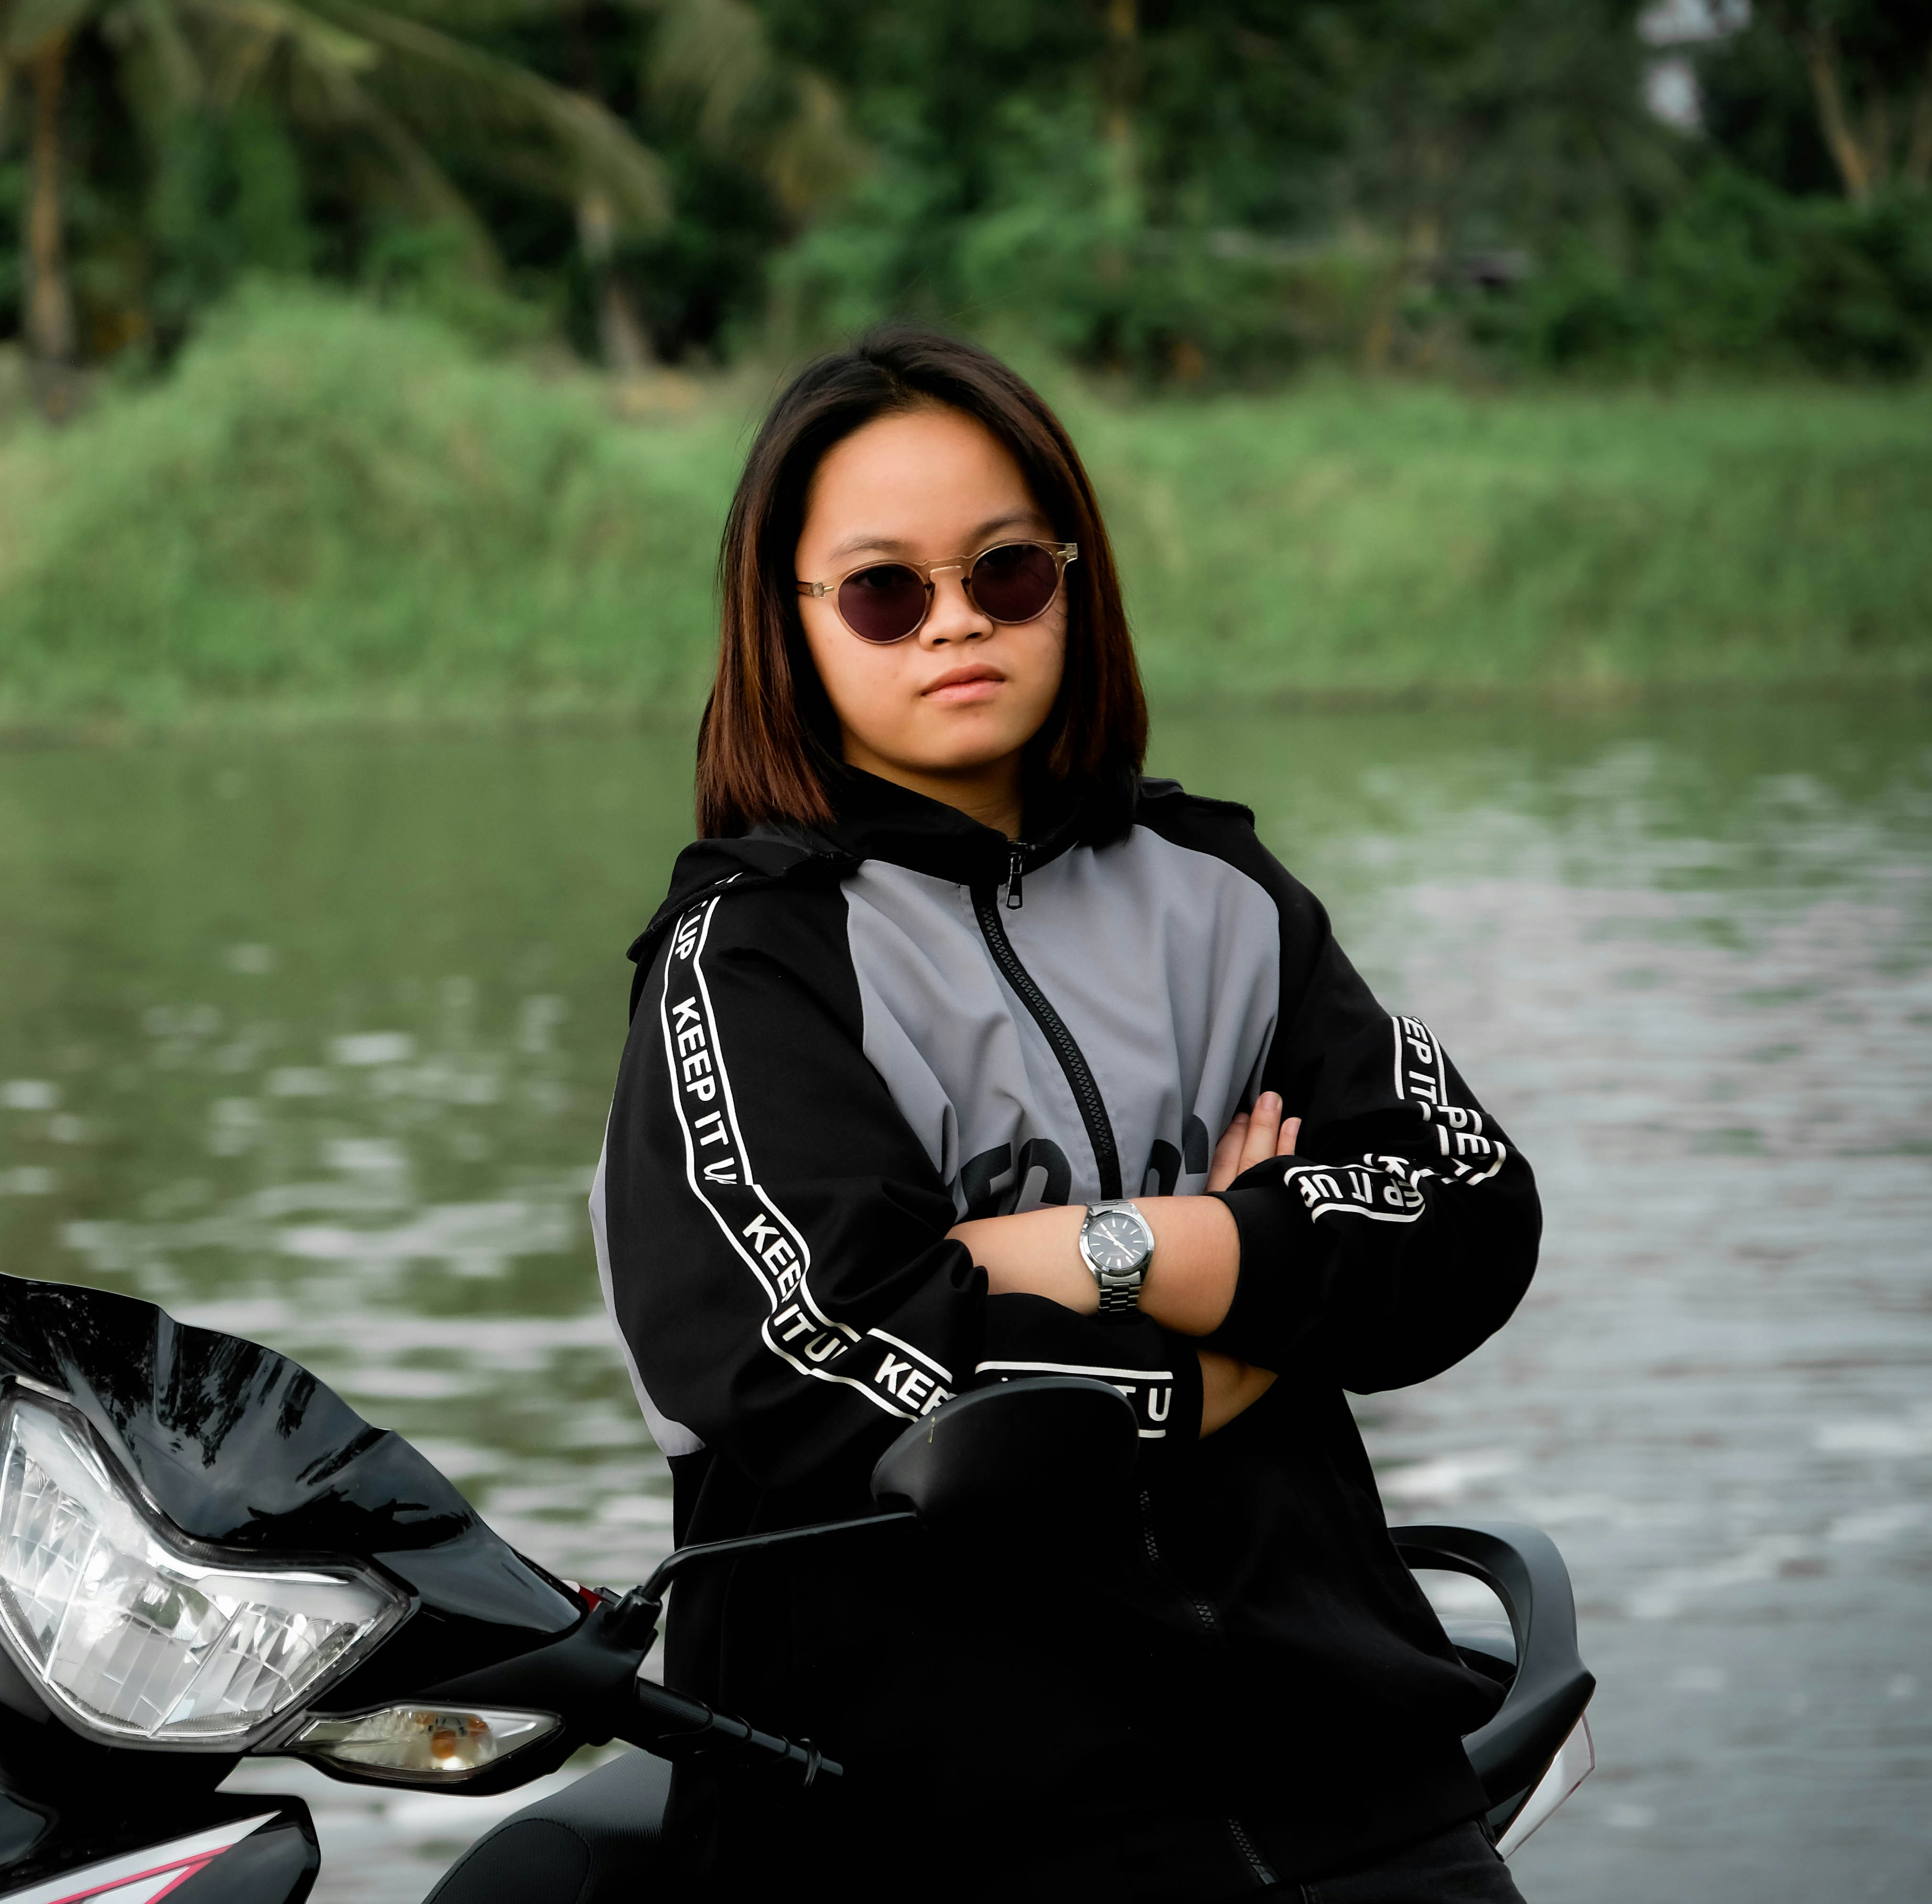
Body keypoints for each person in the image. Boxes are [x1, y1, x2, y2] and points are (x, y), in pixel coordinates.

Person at [590, 325, 1541, 1902]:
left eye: (1006, 574)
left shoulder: (1221, 895)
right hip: (925, 1818)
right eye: (888, 592)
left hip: (1344, 1770)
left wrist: (1104, 1243)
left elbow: (1462, 1208)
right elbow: (825, 1357)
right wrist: (1227, 1355)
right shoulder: (747, 962)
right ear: (795, 627)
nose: (954, 625)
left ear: (1071, 583)